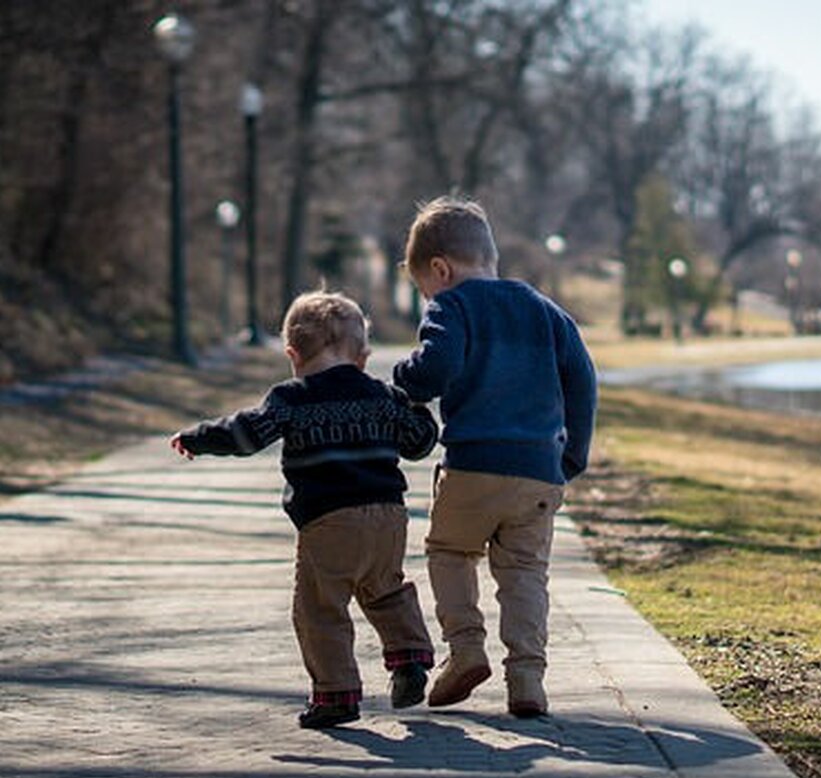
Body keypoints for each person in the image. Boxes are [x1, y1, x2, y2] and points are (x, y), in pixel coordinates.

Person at [170, 291, 439, 729]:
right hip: (388, 517)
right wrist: (419, 409)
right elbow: (419, 443)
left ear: (292, 354)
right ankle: (409, 660)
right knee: (386, 589)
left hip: (329, 521)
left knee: (320, 608)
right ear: (363, 356)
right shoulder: (383, 395)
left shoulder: (291, 399)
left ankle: (336, 694)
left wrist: (200, 438)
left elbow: (246, 435)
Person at [393, 196, 596, 718]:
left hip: (473, 464)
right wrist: (571, 455)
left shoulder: (452, 306)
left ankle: (464, 651)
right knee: (526, 571)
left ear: (441, 269)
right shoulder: (547, 311)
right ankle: (527, 678)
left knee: (450, 551)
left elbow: (434, 370)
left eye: (424, 289)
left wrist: (404, 378)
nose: (428, 298)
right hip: (538, 471)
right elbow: (583, 381)